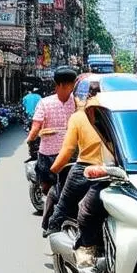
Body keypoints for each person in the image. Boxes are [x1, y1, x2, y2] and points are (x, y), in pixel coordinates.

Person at [48, 84, 110, 272]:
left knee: (63, 205)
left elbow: (68, 150)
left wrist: (54, 169)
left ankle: (52, 232)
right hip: (112, 171)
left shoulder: (78, 117)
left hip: (85, 169)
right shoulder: (112, 115)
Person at [26, 66, 77, 196]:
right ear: (72, 84)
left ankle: (50, 202)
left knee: (46, 186)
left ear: (58, 84)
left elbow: (36, 127)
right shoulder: (77, 102)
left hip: (48, 154)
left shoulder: (45, 103)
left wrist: (30, 140)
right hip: (70, 153)